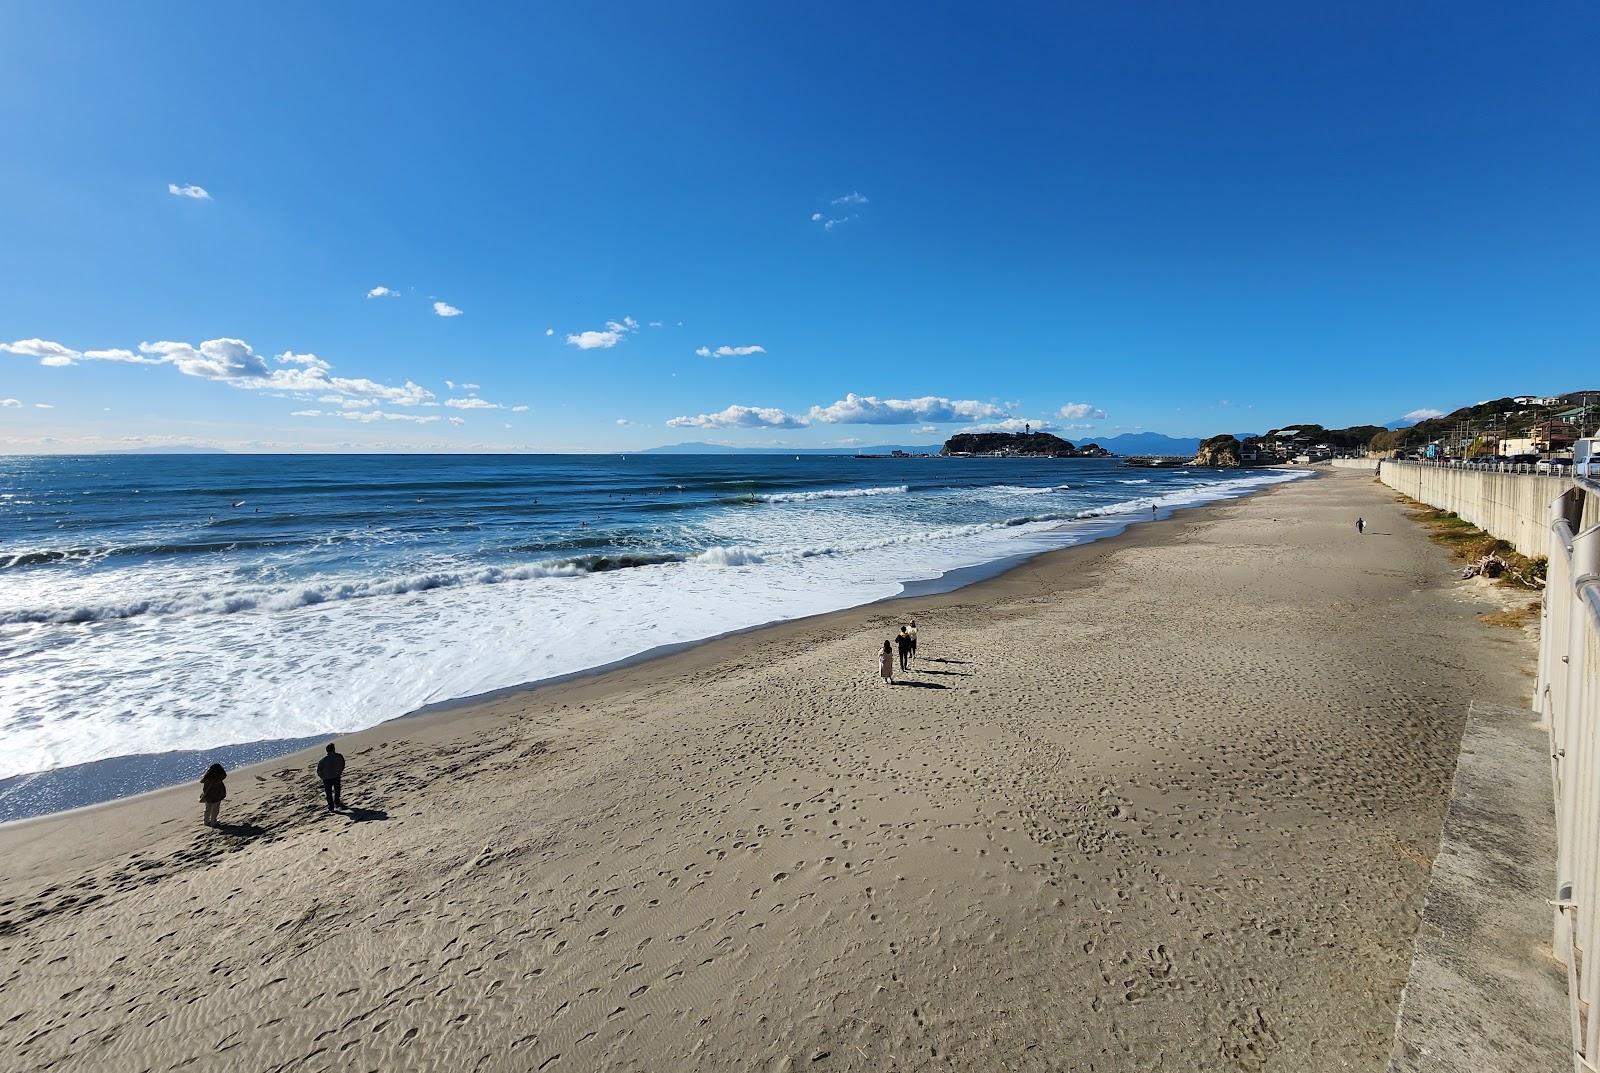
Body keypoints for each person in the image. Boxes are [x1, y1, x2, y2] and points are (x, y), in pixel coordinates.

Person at [317, 742, 345, 810]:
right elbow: (342, 765)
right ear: (334, 749)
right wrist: (339, 772)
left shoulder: (323, 760)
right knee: (337, 790)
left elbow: (319, 771)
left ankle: (331, 806)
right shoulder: (339, 756)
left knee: (328, 792)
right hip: (336, 776)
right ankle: (337, 802)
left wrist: (322, 776)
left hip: (327, 778)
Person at [200, 763, 227, 827]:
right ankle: (213, 822)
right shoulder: (219, 779)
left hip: (208, 796)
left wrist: (204, 795)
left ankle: (206, 821)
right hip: (216, 796)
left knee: (207, 809)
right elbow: (224, 777)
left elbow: (205, 789)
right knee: (215, 810)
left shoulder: (207, 779)